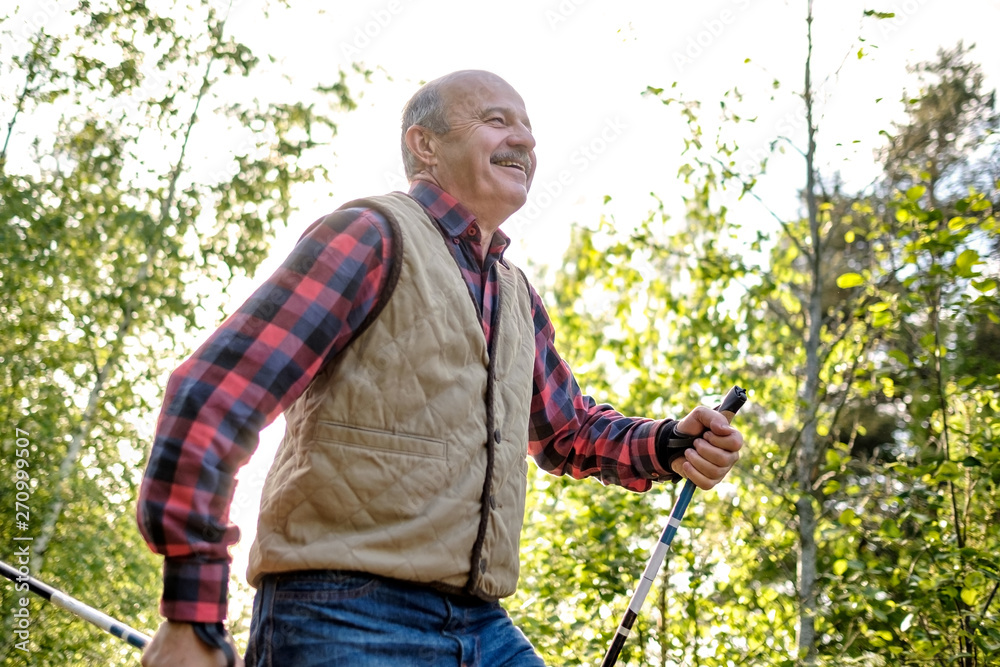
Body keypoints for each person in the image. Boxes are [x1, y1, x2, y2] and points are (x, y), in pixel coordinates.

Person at [137, 69, 744, 667]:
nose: (526, 141)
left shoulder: (515, 293)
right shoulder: (369, 234)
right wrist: (191, 615)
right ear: (424, 144)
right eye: (496, 120)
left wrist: (668, 444)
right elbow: (212, 396)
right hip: (341, 613)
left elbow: (568, 432)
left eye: (529, 128)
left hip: (481, 623)